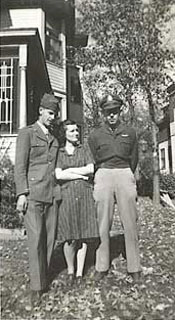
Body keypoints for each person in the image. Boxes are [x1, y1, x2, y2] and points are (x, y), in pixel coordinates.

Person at [88, 94, 141, 282]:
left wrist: (127, 174)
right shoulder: (95, 135)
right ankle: (102, 265)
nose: (112, 116)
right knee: (102, 222)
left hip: (124, 173)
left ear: (120, 112)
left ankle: (134, 266)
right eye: (108, 112)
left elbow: (134, 157)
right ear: (103, 113)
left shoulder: (131, 132)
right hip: (103, 174)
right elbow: (93, 157)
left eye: (115, 112)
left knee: (130, 222)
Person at [14, 93, 60, 305]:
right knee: (35, 240)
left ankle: (44, 276)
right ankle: (36, 287)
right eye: (50, 113)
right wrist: (22, 194)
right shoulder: (27, 134)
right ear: (41, 110)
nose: (53, 117)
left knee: (49, 240)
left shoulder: (54, 138)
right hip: (33, 194)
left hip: (52, 194)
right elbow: (20, 166)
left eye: (55, 114)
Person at [55, 120, 99, 286]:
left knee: (83, 235)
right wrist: (80, 175)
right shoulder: (60, 152)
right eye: (72, 131)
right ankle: (70, 270)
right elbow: (58, 175)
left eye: (77, 131)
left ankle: (80, 273)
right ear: (64, 133)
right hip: (67, 197)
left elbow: (90, 169)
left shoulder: (84, 149)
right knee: (69, 237)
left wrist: (70, 172)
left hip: (84, 195)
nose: (76, 133)